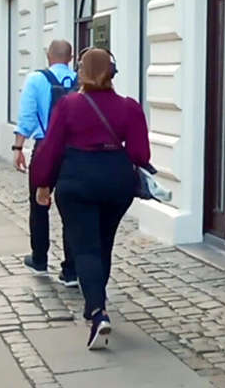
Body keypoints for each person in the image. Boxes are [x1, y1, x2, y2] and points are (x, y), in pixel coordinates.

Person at [30, 48, 150, 350]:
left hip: (77, 181)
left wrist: (43, 183)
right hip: (116, 183)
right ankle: (94, 304)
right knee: (103, 244)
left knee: (85, 248)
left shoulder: (69, 105)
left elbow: (51, 147)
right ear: (112, 72)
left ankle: (97, 312)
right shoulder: (129, 107)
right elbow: (140, 154)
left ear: (82, 72)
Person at [14, 39, 78, 286]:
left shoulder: (36, 79)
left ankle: (39, 258)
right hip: (74, 152)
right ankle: (71, 270)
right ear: (70, 58)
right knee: (72, 209)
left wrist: (18, 148)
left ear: (48, 56)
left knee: (39, 204)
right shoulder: (80, 80)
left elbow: (27, 117)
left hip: (45, 148)